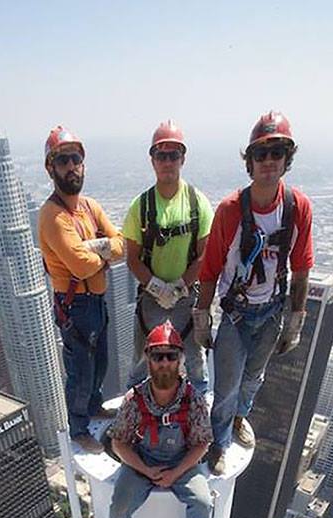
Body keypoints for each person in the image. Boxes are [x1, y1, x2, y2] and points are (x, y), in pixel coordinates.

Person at [194, 111, 314, 474]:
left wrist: (295, 320)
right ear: (249, 161)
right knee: (227, 384)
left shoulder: (296, 208)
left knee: (253, 378)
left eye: (276, 152)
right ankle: (219, 440)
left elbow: (301, 268)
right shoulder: (231, 210)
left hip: (272, 310)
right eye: (261, 154)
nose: (268, 161)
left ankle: (237, 420)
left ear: (286, 159)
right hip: (236, 312)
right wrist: (202, 318)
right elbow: (210, 268)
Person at [103, 320, 213, 518]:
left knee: (202, 502)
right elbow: (119, 443)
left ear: (180, 360)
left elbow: (202, 443)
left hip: (181, 461)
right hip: (143, 460)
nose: (164, 363)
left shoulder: (193, 400)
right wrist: (145, 469)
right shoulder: (134, 400)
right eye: (158, 356)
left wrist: (175, 473)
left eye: (170, 356)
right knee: (119, 507)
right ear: (148, 359)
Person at [39, 126, 125, 453]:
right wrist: (100, 255)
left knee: (100, 362)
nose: (71, 166)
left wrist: (95, 250)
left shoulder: (89, 207)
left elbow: (121, 245)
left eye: (76, 158)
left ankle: (93, 407)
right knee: (80, 371)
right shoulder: (52, 216)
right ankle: (78, 429)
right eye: (63, 160)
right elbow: (82, 266)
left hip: (96, 301)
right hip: (75, 305)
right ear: (51, 168)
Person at [123, 121, 214, 396]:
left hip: (186, 295)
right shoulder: (142, 206)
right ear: (152, 160)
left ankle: (199, 406)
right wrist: (156, 287)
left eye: (173, 155)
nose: (167, 162)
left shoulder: (198, 203)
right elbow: (133, 258)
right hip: (151, 296)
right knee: (143, 356)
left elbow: (204, 254)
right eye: (161, 155)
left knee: (194, 358)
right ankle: (134, 406)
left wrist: (179, 287)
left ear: (182, 159)